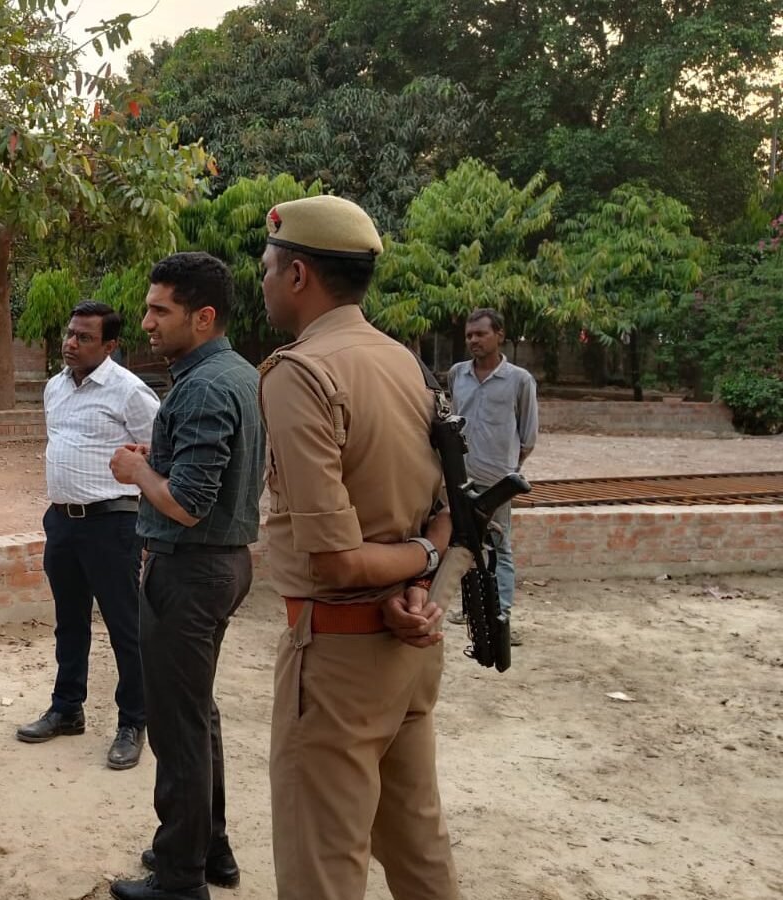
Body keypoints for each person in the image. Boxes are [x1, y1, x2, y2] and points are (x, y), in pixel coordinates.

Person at [257, 194, 459, 900]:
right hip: (406, 642)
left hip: (337, 656)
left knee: (323, 866)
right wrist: (422, 571)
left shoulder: (301, 372)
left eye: (268, 268)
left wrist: (422, 562)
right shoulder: (404, 362)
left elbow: (335, 559)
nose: (264, 282)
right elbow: (443, 512)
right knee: (418, 849)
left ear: (299, 275)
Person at [107, 252, 265, 900]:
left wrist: (137, 473)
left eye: (159, 310)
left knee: (178, 729)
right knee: (196, 717)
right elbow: (212, 474)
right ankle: (210, 850)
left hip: (190, 573)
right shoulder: (238, 374)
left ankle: (179, 879)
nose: (146, 321)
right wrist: (161, 457)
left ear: (203, 317)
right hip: (221, 567)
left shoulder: (202, 385)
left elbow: (190, 504)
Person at [16, 301, 159, 770]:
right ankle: (66, 708)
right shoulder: (54, 388)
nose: (71, 343)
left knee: (125, 627)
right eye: (70, 333)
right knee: (69, 621)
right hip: (61, 522)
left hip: (112, 523)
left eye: (84, 338)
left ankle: (133, 722)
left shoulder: (130, 392)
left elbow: (163, 449)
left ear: (111, 345)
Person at [446, 308, 538, 644]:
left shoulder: (519, 380)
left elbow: (528, 437)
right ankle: (470, 611)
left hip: (497, 483)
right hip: (459, 479)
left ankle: (501, 618)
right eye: (469, 335)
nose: (473, 340)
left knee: (499, 548)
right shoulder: (458, 374)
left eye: (480, 334)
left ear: (499, 335)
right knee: (465, 545)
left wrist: (509, 471)